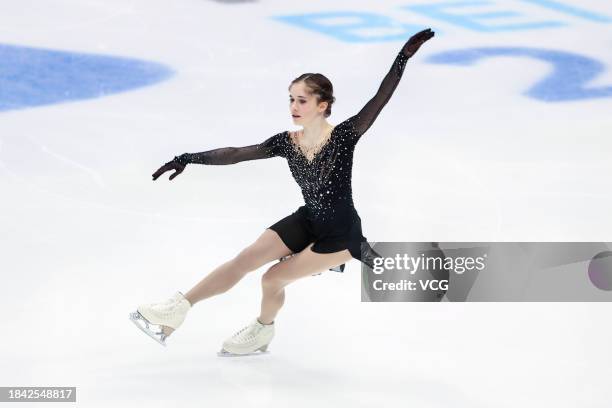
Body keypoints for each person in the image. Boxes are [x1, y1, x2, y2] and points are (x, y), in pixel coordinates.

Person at [129, 28, 435, 355]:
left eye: (302, 100)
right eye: (291, 98)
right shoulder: (286, 143)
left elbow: (380, 98)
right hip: (310, 219)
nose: (294, 105)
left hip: (340, 235)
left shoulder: (345, 136)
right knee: (245, 259)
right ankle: (178, 310)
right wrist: (187, 158)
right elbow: (235, 153)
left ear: (323, 105)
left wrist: (402, 58)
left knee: (272, 279)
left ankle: (263, 330)